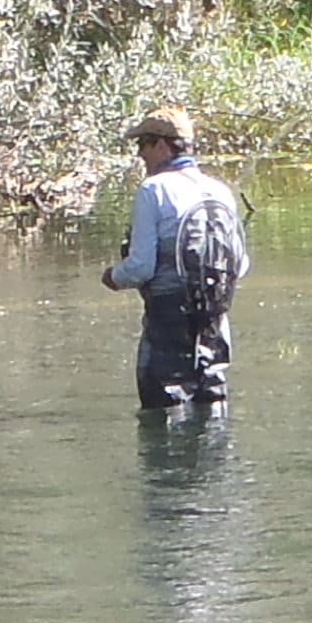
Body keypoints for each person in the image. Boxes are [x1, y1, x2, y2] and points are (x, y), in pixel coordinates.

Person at [104, 108, 249, 414]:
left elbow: (141, 267)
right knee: (212, 409)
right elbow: (240, 265)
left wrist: (114, 276)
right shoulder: (220, 191)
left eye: (142, 144)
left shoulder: (153, 190)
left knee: (163, 413)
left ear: (161, 145)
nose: (140, 154)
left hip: (167, 322)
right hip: (214, 322)